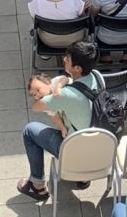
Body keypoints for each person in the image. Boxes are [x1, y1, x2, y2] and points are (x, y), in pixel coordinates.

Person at [17, 41, 105, 201]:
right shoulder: (97, 77)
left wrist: (50, 92)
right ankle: (83, 178)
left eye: (68, 58)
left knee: (29, 131)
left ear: (77, 68)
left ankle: (37, 185)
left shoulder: (66, 95)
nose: (64, 59)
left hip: (75, 150)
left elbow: (36, 107)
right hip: (98, 148)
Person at [27, 72, 69, 138]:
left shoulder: (54, 83)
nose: (37, 95)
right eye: (34, 94)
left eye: (38, 90)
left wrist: (58, 87)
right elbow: (54, 115)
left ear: (47, 82)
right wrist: (62, 128)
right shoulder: (44, 102)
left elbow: (65, 78)